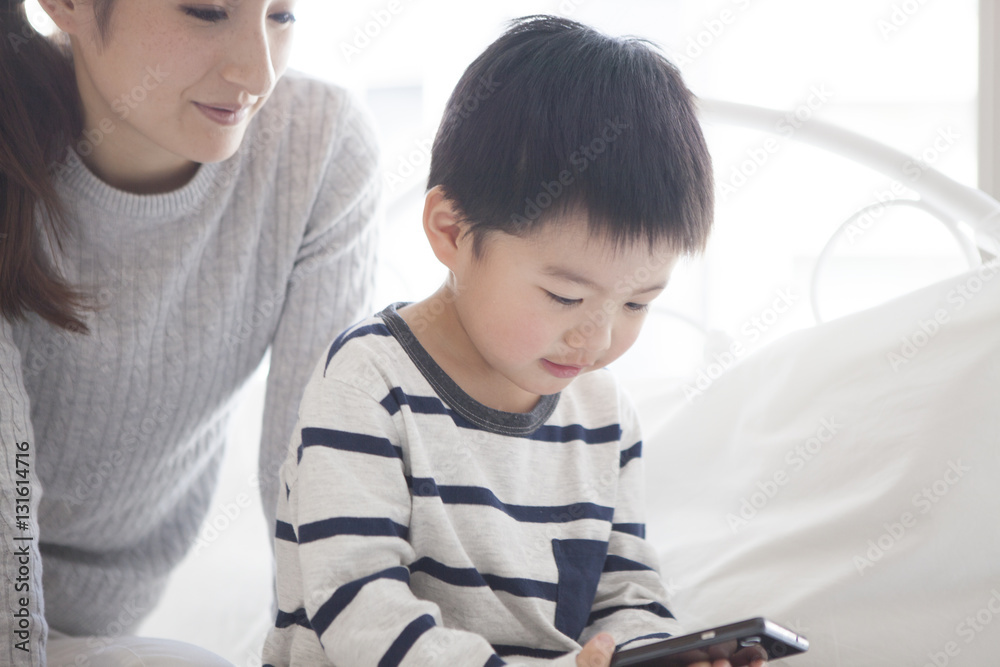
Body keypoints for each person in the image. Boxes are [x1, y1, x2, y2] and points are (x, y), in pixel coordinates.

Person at [262, 15, 763, 667]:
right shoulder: (368, 382)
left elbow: (625, 596)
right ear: (451, 231)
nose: (599, 337)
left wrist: (658, 653)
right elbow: (359, 606)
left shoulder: (603, 417)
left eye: (639, 302)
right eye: (564, 296)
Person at [0, 0, 380, 665]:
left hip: (98, 622)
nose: (256, 72)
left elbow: (313, 473)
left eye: (282, 15)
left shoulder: (318, 150)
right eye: (206, 12)